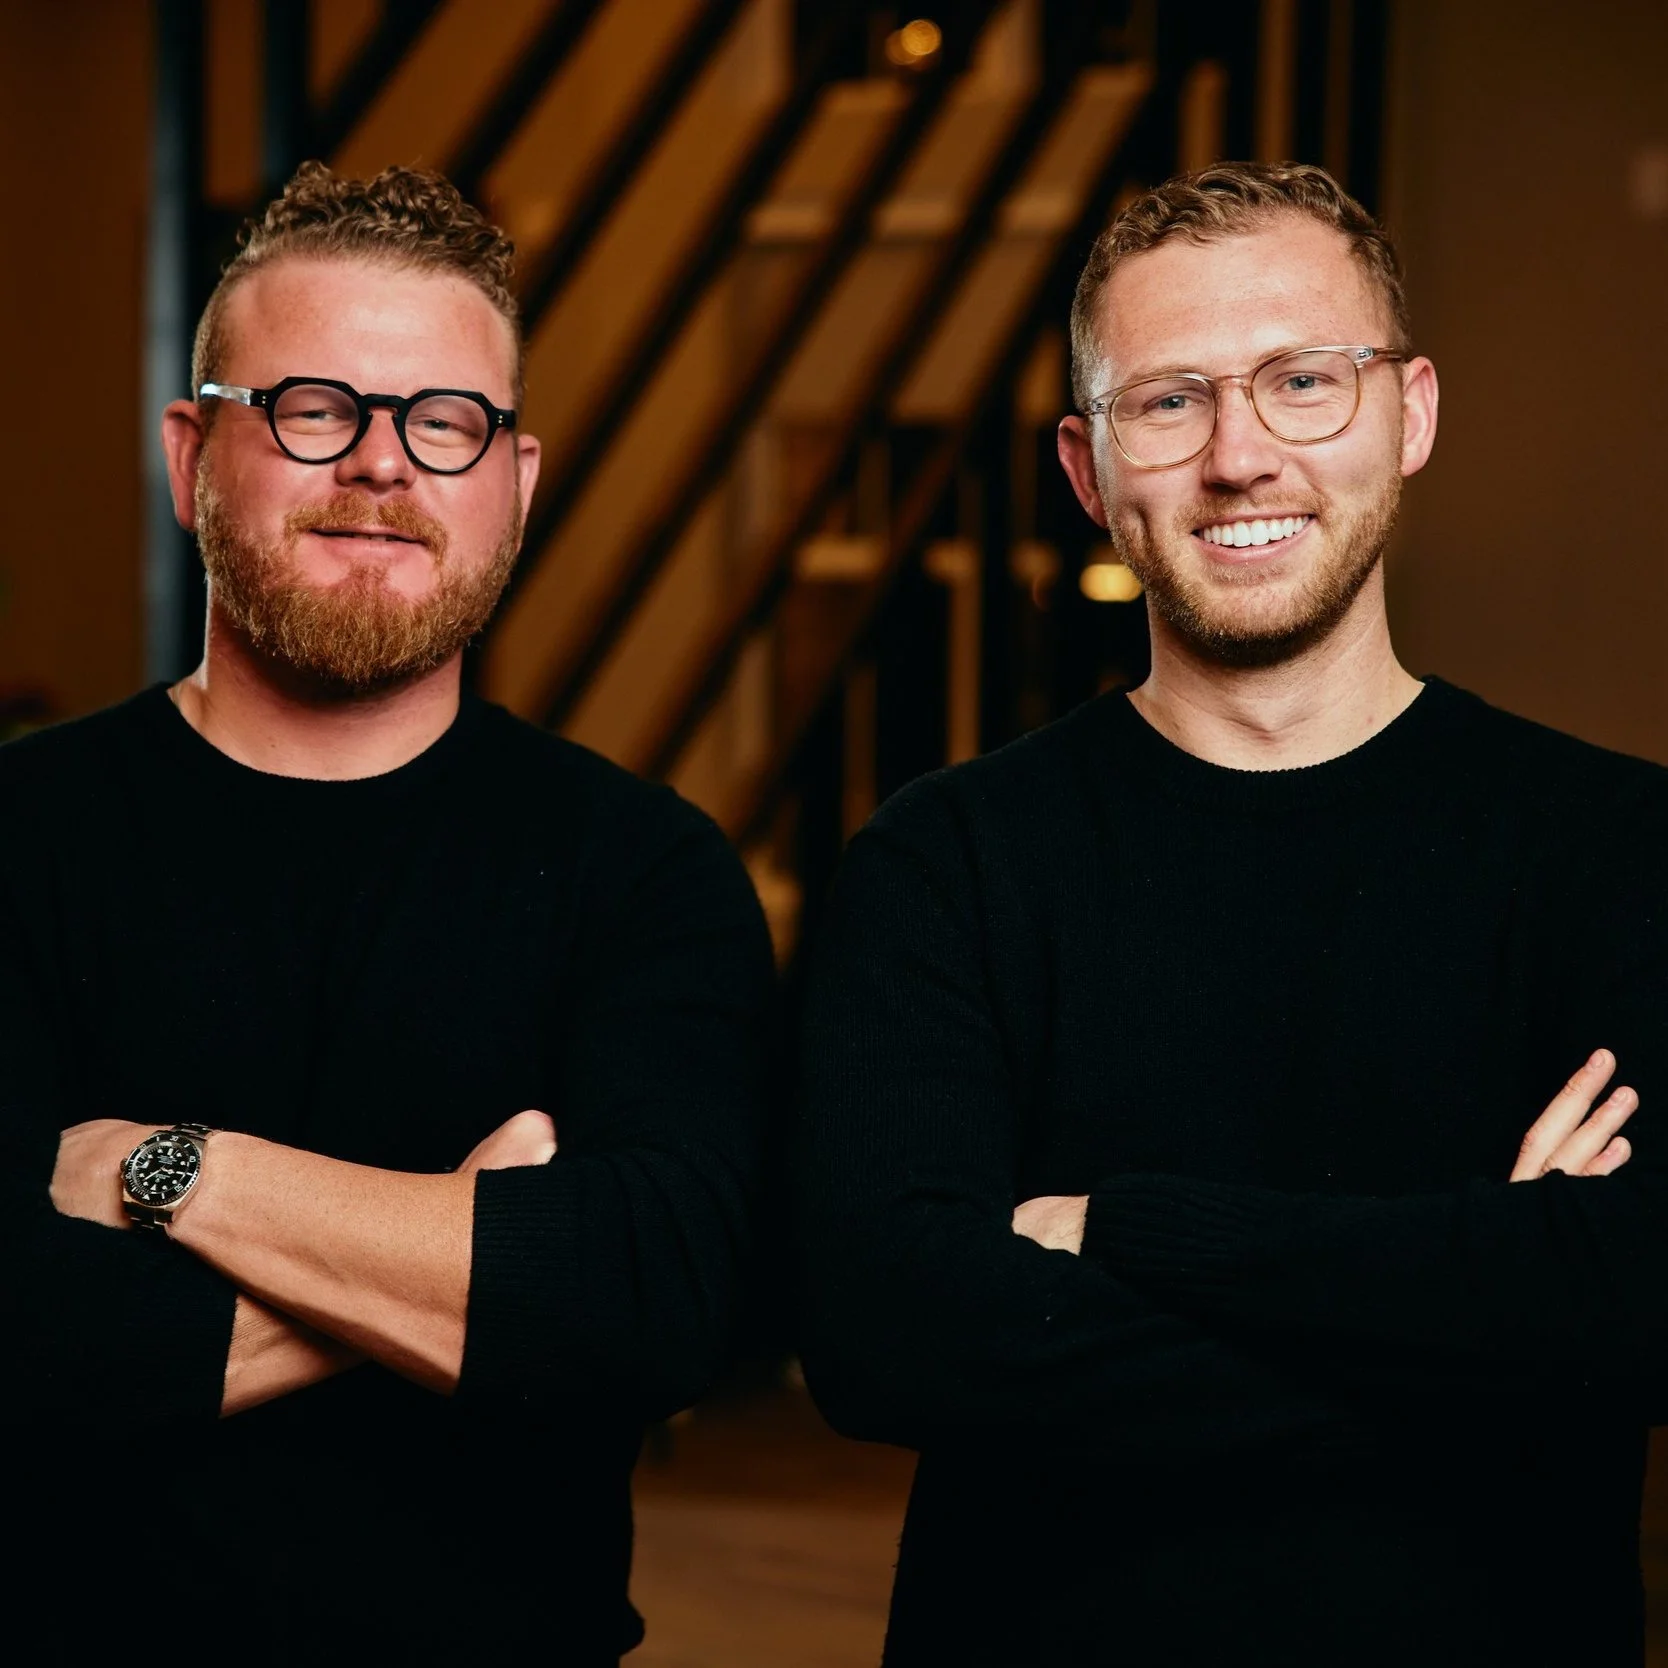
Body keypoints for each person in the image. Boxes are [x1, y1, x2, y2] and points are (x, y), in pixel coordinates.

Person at [795, 161, 1668, 1666]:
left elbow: (1644, 1304)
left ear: (1411, 414)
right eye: (1169, 402)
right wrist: (1488, 1309)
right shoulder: (943, 863)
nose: (1240, 456)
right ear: (1088, 470)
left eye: (1303, 382)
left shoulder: (1622, 849)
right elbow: (888, 1342)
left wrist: (1126, 1232)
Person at [13, 162, 775, 1664]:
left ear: (518, 482)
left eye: (445, 421)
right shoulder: (20, 835)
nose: (381, 463)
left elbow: (664, 1309)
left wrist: (175, 1175)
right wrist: (471, 1260)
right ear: (189, 456)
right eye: (313, 409)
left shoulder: (647, 871)